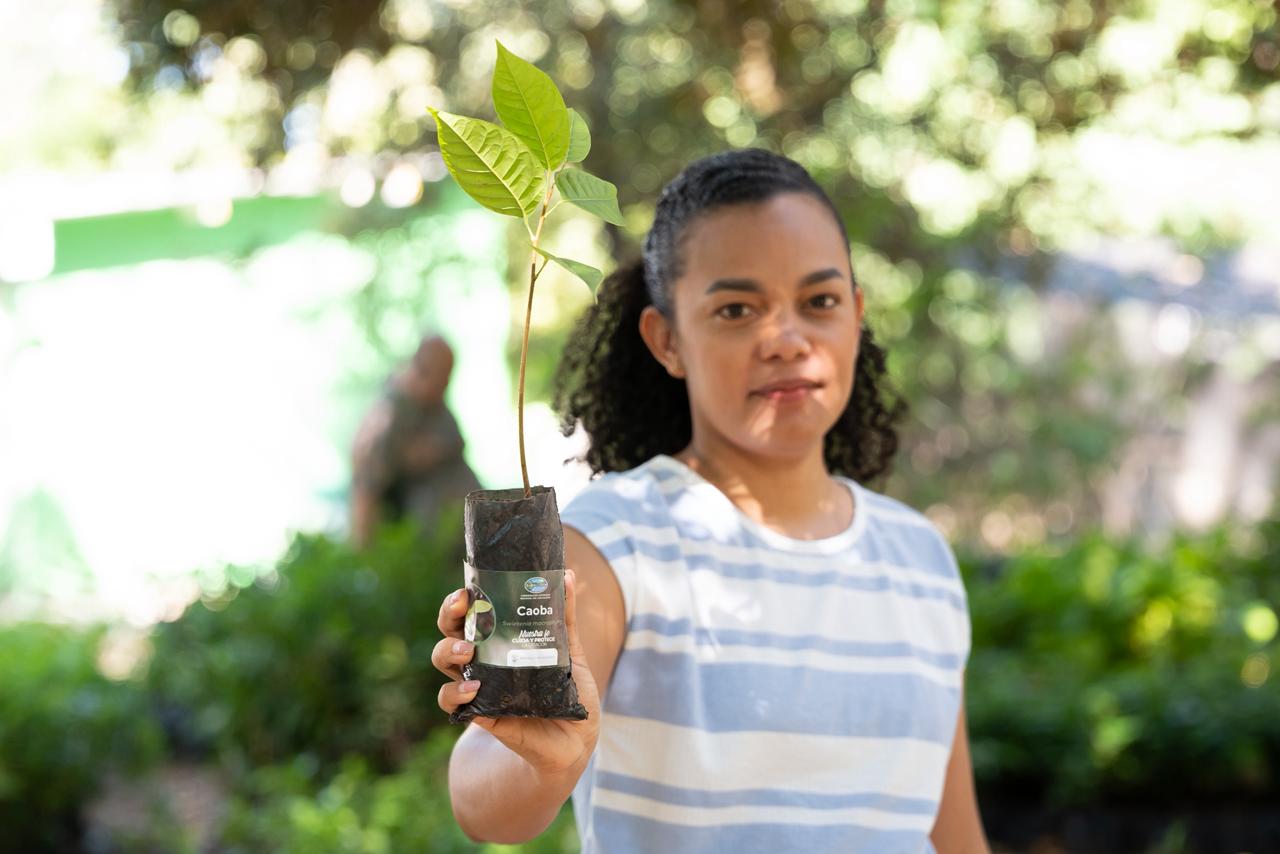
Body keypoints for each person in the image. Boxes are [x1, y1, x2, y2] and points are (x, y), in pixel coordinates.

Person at [431, 148, 990, 853]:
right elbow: (487, 803)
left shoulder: (921, 559)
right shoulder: (607, 544)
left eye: (819, 302)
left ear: (856, 313)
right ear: (667, 340)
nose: (786, 340)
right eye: (736, 309)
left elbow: (955, 837)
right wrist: (546, 755)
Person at [350, 334, 481, 549]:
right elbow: (366, 491)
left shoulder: (438, 410)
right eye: (442, 378)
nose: (446, 385)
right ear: (422, 371)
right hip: (425, 542)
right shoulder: (390, 416)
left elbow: (456, 446)